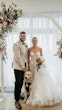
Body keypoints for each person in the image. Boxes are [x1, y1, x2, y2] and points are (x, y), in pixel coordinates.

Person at [27, 37, 62, 106]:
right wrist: (28, 68)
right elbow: (28, 59)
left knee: (39, 80)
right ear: (32, 41)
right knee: (32, 80)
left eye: (35, 41)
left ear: (37, 41)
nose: (34, 42)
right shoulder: (29, 49)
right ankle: (31, 94)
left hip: (39, 67)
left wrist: (40, 63)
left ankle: (39, 95)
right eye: (33, 41)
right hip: (32, 66)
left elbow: (42, 58)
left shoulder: (40, 49)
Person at [12, 31, 28, 109]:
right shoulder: (16, 45)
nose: (23, 37)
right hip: (18, 67)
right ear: (19, 36)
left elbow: (25, 56)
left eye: (24, 36)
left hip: (23, 66)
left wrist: (27, 66)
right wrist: (23, 67)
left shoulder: (25, 44)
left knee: (21, 82)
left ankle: (17, 95)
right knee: (18, 83)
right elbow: (17, 57)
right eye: (22, 36)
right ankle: (16, 100)